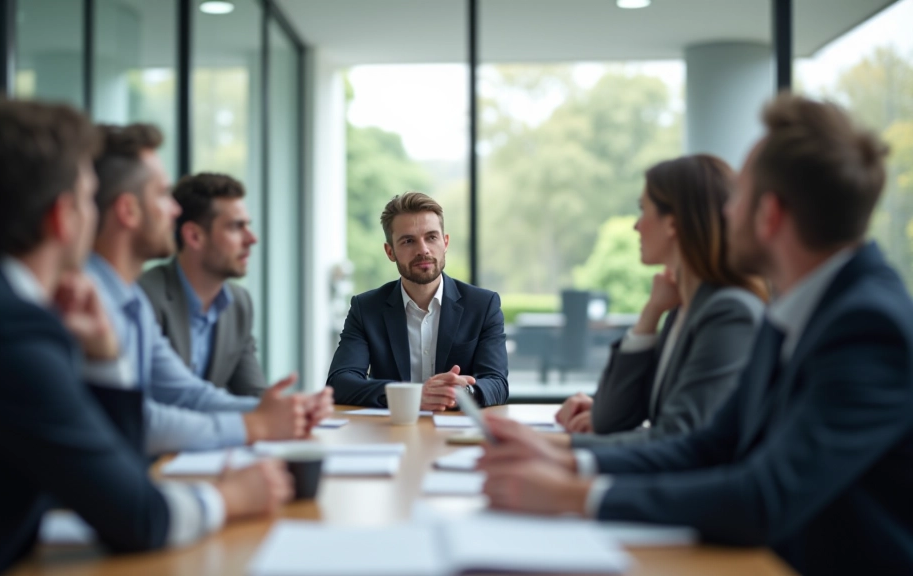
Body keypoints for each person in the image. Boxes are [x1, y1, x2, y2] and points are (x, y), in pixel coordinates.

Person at [477, 94, 913, 575]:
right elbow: (706, 446)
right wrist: (569, 463)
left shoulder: (869, 327)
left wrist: (572, 494)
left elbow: (763, 496)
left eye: (738, 198)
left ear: (769, 215)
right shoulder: (796, 311)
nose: (725, 214)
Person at [0, 100, 292, 575]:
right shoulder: (9, 333)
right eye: (87, 196)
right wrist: (229, 496)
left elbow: (118, 481)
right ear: (63, 217)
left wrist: (104, 358)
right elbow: (137, 518)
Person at [87, 123, 331, 455]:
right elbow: (137, 420)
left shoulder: (128, 299)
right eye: (162, 194)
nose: (173, 209)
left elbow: (187, 393)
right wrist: (255, 424)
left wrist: (288, 410)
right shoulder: (100, 299)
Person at [555, 155, 766, 447]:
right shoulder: (681, 310)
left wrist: (560, 449)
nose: (636, 226)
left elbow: (679, 438)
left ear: (672, 224)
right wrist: (650, 315)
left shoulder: (729, 312)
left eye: (644, 210)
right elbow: (610, 419)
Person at [327, 192, 508, 409]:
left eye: (431, 237)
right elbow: (340, 382)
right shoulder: (366, 309)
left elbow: (497, 383)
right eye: (408, 241)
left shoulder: (483, 305)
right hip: (391, 431)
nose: (423, 250)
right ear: (390, 251)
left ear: (445, 242)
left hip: (457, 433)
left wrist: (459, 392)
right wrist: (413, 395)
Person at [139, 173, 265, 397]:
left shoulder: (239, 304)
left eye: (248, 225)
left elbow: (252, 394)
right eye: (236, 227)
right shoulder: (145, 297)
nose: (251, 239)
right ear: (194, 236)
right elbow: (159, 403)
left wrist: (292, 409)